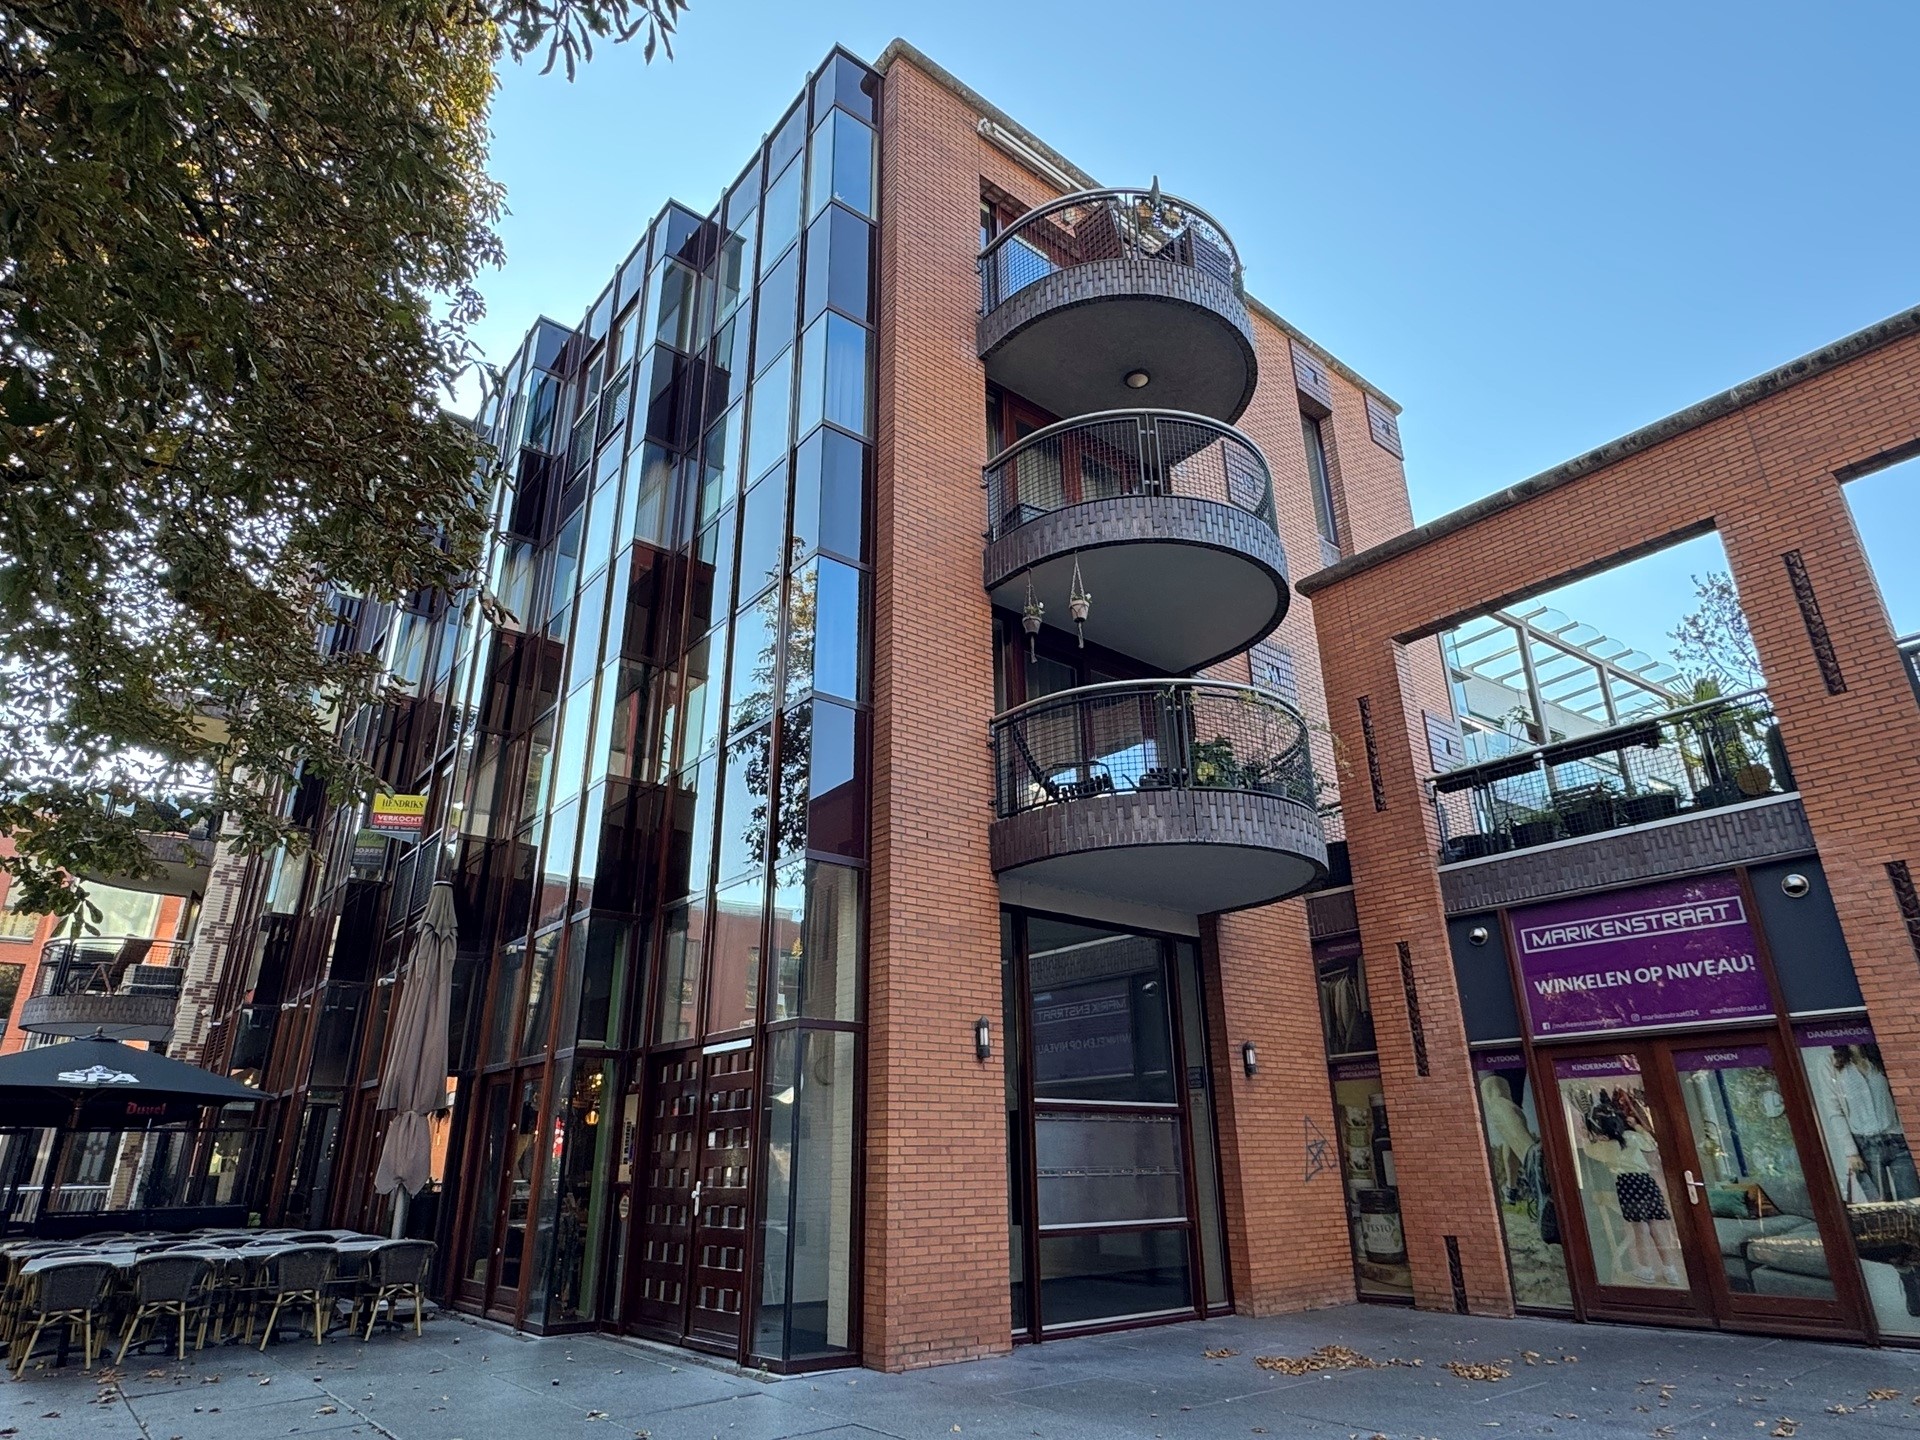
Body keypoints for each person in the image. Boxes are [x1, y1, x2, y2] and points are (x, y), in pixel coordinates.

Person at [1584, 1094, 1684, 1287]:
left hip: (1627, 1185)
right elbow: (1651, 1143)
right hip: (1646, 1181)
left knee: (1640, 1228)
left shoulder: (1605, 1147)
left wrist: (1592, 1138)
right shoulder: (1631, 1137)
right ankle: (1670, 1270)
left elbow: (1588, 1149)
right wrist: (1636, 1125)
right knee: (1656, 1225)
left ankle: (1646, 1269)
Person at [1830, 1045, 1919, 1202]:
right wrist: (1851, 1152)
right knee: (1880, 1206)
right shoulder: (1832, 1062)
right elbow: (1834, 1111)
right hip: (1864, 1145)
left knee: (1913, 1201)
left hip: (1896, 1139)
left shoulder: (1877, 1055)